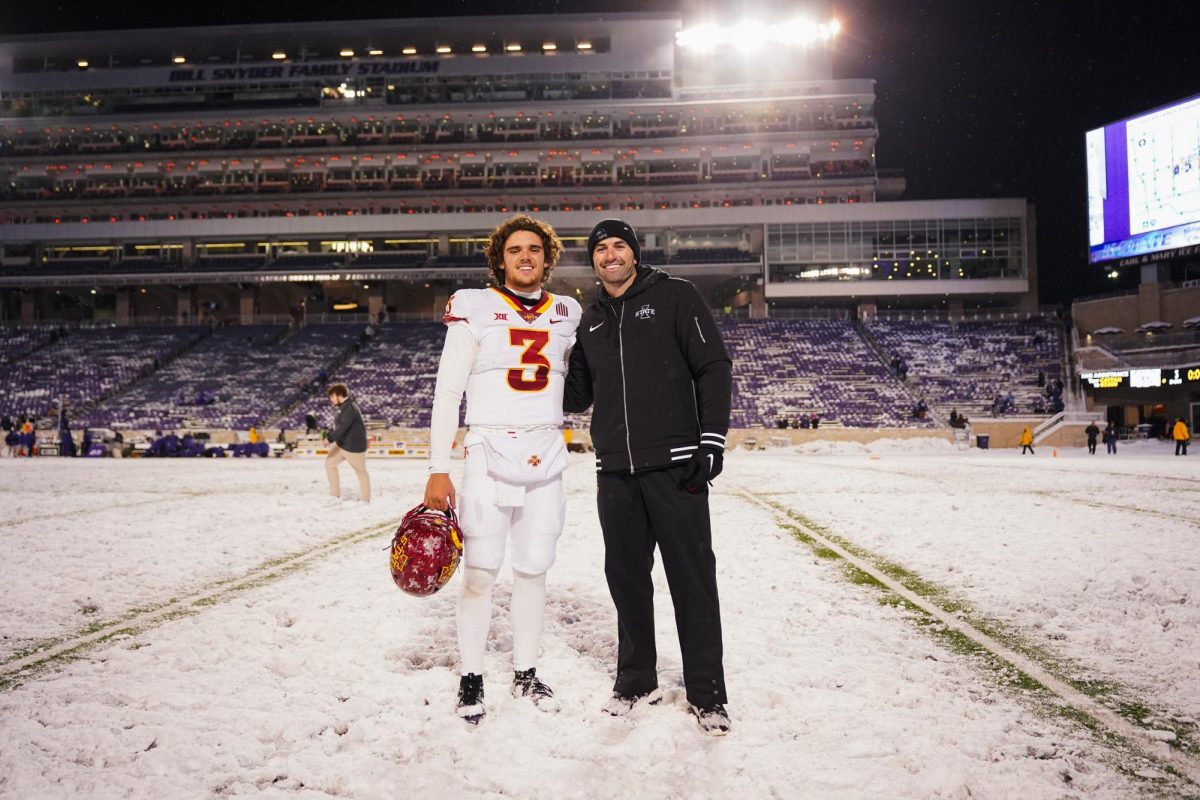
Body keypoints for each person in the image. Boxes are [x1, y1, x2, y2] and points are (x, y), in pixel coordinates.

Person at [564, 218, 733, 736]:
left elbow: (714, 366)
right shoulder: (590, 320)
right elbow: (574, 397)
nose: (610, 255)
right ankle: (636, 681)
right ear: (592, 259)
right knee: (628, 582)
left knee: (692, 582)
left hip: (676, 465)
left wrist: (711, 439)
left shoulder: (677, 296)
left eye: (619, 246)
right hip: (615, 471)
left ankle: (708, 694)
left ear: (634, 253)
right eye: (601, 249)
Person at [423, 214, 581, 725]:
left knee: (534, 570)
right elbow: (448, 392)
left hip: (547, 454)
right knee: (480, 573)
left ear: (547, 256)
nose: (526, 256)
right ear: (501, 258)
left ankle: (526, 670)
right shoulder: (474, 305)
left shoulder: (568, 312)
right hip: (487, 452)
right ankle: (471, 677)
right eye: (515, 250)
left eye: (534, 248)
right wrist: (437, 467)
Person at [324, 383, 370, 502]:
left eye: (332, 396)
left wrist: (329, 438)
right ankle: (335, 494)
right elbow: (341, 426)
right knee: (330, 463)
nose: (331, 399)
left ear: (339, 395)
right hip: (343, 444)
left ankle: (365, 499)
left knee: (361, 472)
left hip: (353, 447)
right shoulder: (344, 407)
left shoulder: (349, 408)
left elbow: (343, 427)